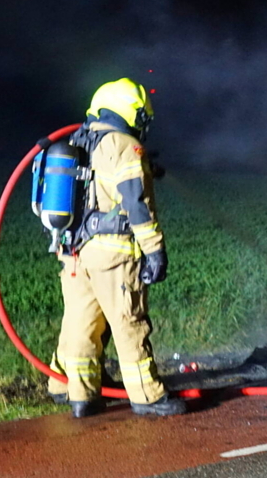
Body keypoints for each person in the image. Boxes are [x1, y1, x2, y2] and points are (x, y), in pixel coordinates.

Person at [47, 77, 186, 418]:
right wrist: (154, 250)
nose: (143, 124)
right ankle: (147, 396)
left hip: (75, 252)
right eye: (142, 116)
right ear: (130, 111)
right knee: (129, 323)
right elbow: (137, 204)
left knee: (81, 324)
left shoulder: (79, 139)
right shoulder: (124, 145)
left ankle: (77, 394)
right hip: (113, 254)